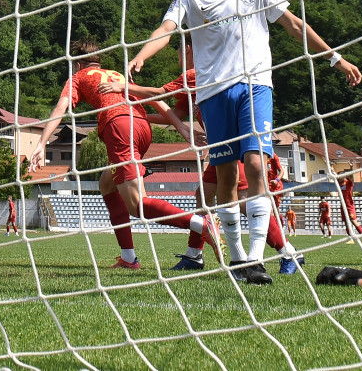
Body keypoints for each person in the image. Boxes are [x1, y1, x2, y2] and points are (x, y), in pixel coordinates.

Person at [126, 0, 361, 284]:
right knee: (226, 176)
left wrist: (336, 59)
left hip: (254, 86)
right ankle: (238, 259)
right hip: (213, 93)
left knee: (255, 162)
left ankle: (255, 258)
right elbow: (166, 30)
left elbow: (295, 25)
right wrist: (142, 55)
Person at [99, 43, 303, 277]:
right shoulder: (191, 83)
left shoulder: (199, 74)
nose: (177, 57)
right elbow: (172, 116)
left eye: (178, 52)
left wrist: (123, 88)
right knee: (203, 196)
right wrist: (138, 115)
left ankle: (289, 252)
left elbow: (159, 93)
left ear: (188, 49)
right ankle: (194, 254)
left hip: (234, 145)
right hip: (221, 146)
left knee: (245, 203)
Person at [28, 40, 222, 269]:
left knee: (137, 205)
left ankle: (201, 224)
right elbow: (154, 100)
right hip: (141, 129)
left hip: (119, 128)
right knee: (107, 185)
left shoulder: (78, 77)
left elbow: (61, 109)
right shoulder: (117, 75)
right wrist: (181, 127)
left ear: (78, 64)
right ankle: (129, 258)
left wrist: (42, 143)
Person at [337, 174, 362, 244]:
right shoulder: (339, 184)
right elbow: (334, 176)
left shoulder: (349, 183)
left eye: (340, 176)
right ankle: (351, 239)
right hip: (343, 206)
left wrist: (351, 166)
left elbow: (352, 178)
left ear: (344, 177)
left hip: (349, 206)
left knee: (354, 222)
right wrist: (332, 168)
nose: (338, 178)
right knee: (347, 223)